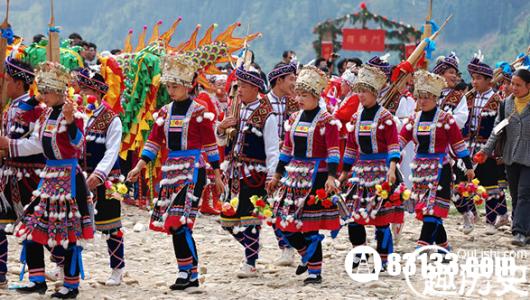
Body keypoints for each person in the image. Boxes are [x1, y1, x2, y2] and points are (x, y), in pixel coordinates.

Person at [127, 54, 223, 290]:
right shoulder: (164, 112)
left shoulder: (200, 113)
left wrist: (218, 174)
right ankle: (188, 273)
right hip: (171, 171)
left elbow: (211, 145)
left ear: (188, 86)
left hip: (193, 170)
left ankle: (186, 272)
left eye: (175, 86)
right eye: (168, 86)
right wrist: (140, 164)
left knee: (178, 221)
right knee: (176, 224)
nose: (171, 90)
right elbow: (154, 141)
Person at [0, 61, 93, 298]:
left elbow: (77, 143)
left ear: (60, 91)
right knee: (30, 228)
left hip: (68, 178)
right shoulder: (45, 115)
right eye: (42, 91)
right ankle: (37, 280)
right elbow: (37, 144)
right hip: (48, 177)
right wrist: (10, 145)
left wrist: (71, 122)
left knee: (68, 233)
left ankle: (70, 285)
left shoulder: (74, 114)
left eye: (47, 91)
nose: (43, 95)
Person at [267, 65, 341, 284]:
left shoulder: (328, 121)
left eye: (304, 95)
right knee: (282, 222)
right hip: (294, 176)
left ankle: (314, 272)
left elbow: (333, 152)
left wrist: (331, 177)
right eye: (298, 93)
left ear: (316, 96)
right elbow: (287, 150)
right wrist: (277, 176)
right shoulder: (294, 119)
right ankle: (306, 255)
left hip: (317, 176)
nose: (299, 98)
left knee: (310, 225)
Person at [399, 70, 474, 253]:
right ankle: (444, 248)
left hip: (441, 169)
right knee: (427, 210)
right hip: (419, 171)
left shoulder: (446, 119)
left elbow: (458, 145)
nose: (422, 101)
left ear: (435, 98)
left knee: (433, 209)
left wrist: (469, 167)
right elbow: (400, 142)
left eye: (427, 97)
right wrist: (390, 158)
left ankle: (422, 245)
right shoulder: (413, 119)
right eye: (420, 97)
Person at [216, 64, 279, 278]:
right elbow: (224, 141)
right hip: (233, 171)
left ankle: (250, 262)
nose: (239, 90)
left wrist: (272, 176)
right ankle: (252, 249)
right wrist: (221, 128)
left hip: (255, 174)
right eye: (238, 85)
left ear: (254, 88)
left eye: (242, 85)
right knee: (227, 220)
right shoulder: (235, 110)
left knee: (250, 218)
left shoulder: (266, 114)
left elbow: (272, 148)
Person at [340, 65, 402, 271]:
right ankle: (362, 254)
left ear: (374, 93)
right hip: (360, 172)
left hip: (382, 171)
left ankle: (385, 259)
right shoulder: (356, 118)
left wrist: (392, 169)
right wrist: (343, 173)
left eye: (364, 91)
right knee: (354, 217)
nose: (360, 95)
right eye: (358, 90)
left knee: (381, 219)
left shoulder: (386, 118)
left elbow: (394, 145)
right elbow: (350, 147)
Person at [0, 57, 46, 287]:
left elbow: (40, 144)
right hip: (8, 175)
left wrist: (8, 144)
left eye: (7, 81)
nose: (4, 85)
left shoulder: (36, 108)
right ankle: (0, 274)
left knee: (35, 228)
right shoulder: (10, 108)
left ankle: (46, 275)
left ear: (19, 84)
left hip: (31, 177)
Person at [477, 67, 530, 246]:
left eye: (518, 85)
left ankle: (519, 231)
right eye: (512, 84)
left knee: (524, 193)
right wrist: (485, 151)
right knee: (515, 194)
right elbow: (497, 130)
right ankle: (525, 229)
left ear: (529, 86)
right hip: (510, 156)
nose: (513, 88)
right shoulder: (506, 104)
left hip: (529, 156)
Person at [464, 54, 509, 235]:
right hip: (470, 146)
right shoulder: (469, 98)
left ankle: (491, 221)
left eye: (479, 79)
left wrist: (497, 148)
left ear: (489, 81)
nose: (474, 82)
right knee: (466, 182)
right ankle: (473, 214)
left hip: (489, 147)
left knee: (490, 185)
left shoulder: (498, 100)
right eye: (473, 78)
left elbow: (501, 125)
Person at [432, 53, 475, 234]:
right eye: (450, 72)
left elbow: (461, 119)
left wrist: (442, 121)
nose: (454, 76)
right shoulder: (431, 94)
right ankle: (433, 222)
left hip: (452, 146)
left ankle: (467, 212)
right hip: (433, 146)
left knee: (457, 185)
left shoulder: (459, 96)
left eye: (455, 73)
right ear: (440, 74)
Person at [266, 62, 298, 266]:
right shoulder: (262, 104)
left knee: (288, 204)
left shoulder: (295, 103)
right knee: (271, 206)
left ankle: (292, 245)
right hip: (267, 161)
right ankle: (284, 245)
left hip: (290, 161)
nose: (294, 84)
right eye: (291, 80)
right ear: (279, 81)